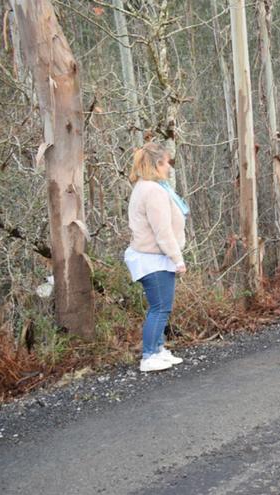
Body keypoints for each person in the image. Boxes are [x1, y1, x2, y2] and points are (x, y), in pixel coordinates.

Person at [124, 142, 189, 372]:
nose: (169, 167)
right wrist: (177, 259)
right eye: (166, 163)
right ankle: (149, 355)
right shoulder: (152, 191)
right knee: (160, 308)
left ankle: (159, 349)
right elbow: (162, 232)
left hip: (151, 256)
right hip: (153, 258)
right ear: (157, 164)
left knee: (160, 306)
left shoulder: (145, 187)